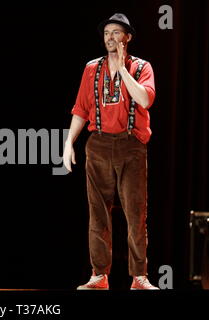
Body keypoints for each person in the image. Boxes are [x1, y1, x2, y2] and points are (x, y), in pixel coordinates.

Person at [63, 13, 159, 290]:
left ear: (127, 37)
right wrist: (69, 142)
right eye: (107, 33)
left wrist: (122, 69)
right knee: (98, 212)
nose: (110, 38)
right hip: (99, 144)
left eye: (116, 33)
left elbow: (144, 99)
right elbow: (81, 109)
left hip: (131, 145)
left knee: (135, 212)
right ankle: (99, 275)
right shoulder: (92, 68)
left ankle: (139, 276)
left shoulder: (142, 67)